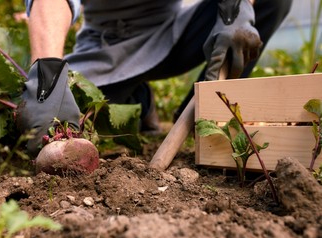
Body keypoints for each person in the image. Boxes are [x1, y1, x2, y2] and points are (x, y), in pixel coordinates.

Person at [16, 0, 293, 156]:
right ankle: (139, 100)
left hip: (175, 35)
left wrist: (236, 9)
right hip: (108, 49)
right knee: (31, 120)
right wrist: (47, 75)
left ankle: (205, 112)